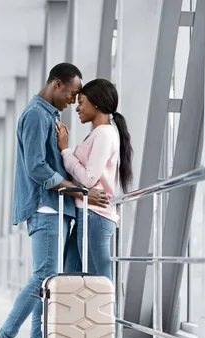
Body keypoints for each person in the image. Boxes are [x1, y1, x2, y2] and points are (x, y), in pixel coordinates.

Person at [0, 64, 111, 338]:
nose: (73, 100)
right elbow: (37, 168)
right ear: (56, 84)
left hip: (57, 207)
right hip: (45, 207)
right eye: (71, 93)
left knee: (48, 283)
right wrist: (81, 190)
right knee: (44, 277)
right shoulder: (36, 115)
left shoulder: (50, 117)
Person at [55, 78, 133, 280]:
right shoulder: (99, 134)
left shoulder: (105, 134)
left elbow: (89, 179)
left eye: (81, 102)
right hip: (88, 214)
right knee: (70, 277)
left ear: (96, 103)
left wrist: (65, 150)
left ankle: (108, 314)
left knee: (98, 284)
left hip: (94, 216)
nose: (77, 108)